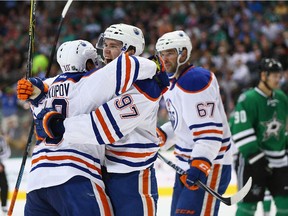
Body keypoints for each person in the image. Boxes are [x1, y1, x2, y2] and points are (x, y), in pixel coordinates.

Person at [19, 24, 168, 216]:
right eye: (105, 44)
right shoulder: (99, 80)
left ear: (130, 51)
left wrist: (57, 125)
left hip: (132, 176)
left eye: (113, 45)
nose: (105, 50)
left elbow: (102, 127)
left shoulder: (145, 86)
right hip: (104, 171)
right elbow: (70, 84)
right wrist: (37, 89)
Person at [155, 30, 233, 216]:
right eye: (162, 54)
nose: (164, 59)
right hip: (185, 165)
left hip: (209, 164)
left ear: (183, 53)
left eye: (170, 53)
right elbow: (183, 124)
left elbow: (210, 133)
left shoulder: (195, 80)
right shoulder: (171, 82)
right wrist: (164, 134)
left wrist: (201, 164)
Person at [230, 58, 288, 216]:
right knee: (248, 207)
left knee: (285, 205)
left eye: (279, 75)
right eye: (274, 76)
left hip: (279, 162)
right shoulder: (248, 99)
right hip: (253, 162)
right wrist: (257, 158)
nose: (278, 79)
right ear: (263, 75)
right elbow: (240, 131)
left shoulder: (282, 98)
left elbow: (285, 128)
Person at [0, 135, 10, 214]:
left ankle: (4, 205)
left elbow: (7, 152)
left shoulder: (1, 139)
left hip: (0, 165)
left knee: (4, 185)